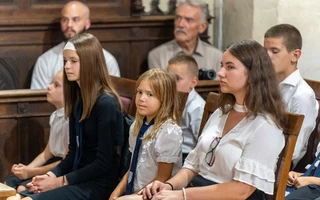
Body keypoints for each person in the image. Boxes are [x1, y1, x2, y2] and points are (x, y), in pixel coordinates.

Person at [117, 39, 287, 200]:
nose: (220, 73)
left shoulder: (266, 126)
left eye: (230, 67)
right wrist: (168, 185)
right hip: (196, 190)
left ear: (253, 74)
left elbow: (242, 190)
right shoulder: (222, 112)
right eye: (221, 66)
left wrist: (181, 195)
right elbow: (192, 165)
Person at [8, 33, 124, 200]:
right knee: (15, 196)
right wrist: (50, 176)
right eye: (65, 61)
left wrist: (60, 181)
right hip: (75, 176)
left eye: (73, 61)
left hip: (96, 185)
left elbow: (103, 163)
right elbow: (73, 154)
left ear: (89, 63)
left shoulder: (106, 104)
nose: (67, 66)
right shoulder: (78, 99)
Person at [109, 68, 183, 199]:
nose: (142, 98)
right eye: (139, 92)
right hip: (136, 191)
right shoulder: (137, 126)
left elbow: (163, 178)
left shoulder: (169, 132)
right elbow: (132, 167)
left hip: (156, 194)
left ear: (164, 99)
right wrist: (115, 194)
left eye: (150, 94)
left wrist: (131, 197)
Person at [30, 1, 120, 89]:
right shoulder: (45, 60)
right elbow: (37, 100)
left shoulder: (107, 60)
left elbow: (114, 95)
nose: (69, 25)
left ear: (87, 24)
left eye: (75, 19)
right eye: (65, 20)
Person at [264, 24, 319, 168]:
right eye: (265, 50)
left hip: (274, 167)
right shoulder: (263, 85)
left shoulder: (302, 96)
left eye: (274, 51)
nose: (267, 56)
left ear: (295, 55)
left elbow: (293, 151)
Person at [5, 71, 69, 192]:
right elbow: (47, 153)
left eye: (56, 85)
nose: (49, 86)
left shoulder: (69, 120)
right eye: (51, 83)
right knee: (9, 182)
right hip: (52, 162)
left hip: (61, 167)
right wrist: (26, 169)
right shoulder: (55, 115)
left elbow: (65, 162)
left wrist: (31, 172)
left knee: (22, 188)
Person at [148, 0, 222, 76]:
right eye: (178, 18)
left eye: (188, 20)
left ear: (202, 27)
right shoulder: (158, 56)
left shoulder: (216, 57)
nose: (180, 24)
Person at [167, 54, 205, 162]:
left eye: (177, 79)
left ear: (193, 82)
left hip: (186, 155)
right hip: (170, 150)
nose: (171, 83)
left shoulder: (197, 107)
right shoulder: (170, 98)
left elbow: (202, 142)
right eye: (169, 78)